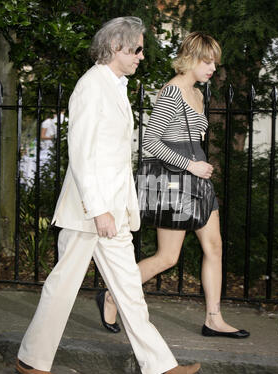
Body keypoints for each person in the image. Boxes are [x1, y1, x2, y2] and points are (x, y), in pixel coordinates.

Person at [15, 17, 201, 374]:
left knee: (129, 289)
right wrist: (98, 208)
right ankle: (30, 360)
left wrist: (116, 208)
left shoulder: (114, 85)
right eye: (137, 49)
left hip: (112, 211)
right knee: (63, 286)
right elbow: (82, 154)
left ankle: (158, 367)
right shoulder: (91, 86)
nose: (141, 56)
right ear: (116, 47)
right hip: (91, 211)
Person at [98, 31, 250, 340]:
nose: (212, 68)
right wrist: (191, 164)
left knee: (215, 247)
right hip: (175, 184)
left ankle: (213, 319)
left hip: (199, 183)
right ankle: (112, 294)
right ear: (191, 58)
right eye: (207, 61)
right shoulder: (172, 93)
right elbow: (151, 141)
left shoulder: (198, 92)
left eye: (214, 63)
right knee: (168, 258)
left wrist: (198, 167)